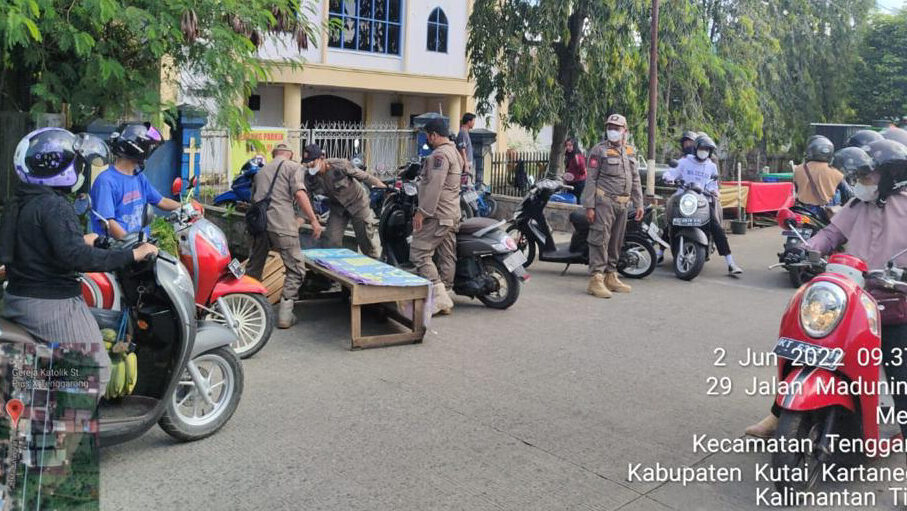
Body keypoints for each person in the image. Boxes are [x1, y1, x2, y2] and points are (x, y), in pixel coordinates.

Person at [746, 141, 907, 439]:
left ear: (890, 175)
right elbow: (831, 234)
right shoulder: (857, 204)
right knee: (809, 348)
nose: (860, 183)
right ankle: (778, 412)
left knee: (900, 374)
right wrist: (807, 250)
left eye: (867, 176)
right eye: (858, 176)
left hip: (894, 304)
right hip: (852, 299)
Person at [0, 128, 158, 392]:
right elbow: (77, 258)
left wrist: (82, 239)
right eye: (76, 162)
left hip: (20, 298)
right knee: (95, 371)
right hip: (50, 304)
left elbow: (35, 245)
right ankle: (56, 426)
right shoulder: (54, 205)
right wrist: (132, 254)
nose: (80, 169)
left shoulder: (23, 200)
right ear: (60, 167)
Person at [245, 143, 323, 329]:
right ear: (291, 154)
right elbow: (300, 194)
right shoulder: (293, 167)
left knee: (254, 267)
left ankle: (248, 306)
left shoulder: (261, 172)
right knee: (296, 269)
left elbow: (253, 198)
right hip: (282, 223)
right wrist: (313, 220)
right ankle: (285, 315)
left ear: (274, 154)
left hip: (259, 225)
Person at [582, 114, 644, 299]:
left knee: (616, 241)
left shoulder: (629, 151)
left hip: (622, 205)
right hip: (604, 203)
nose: (613, 131)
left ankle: (611, 275)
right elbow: (591, 179)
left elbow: (635, 178)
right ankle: (596, 279)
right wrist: (589, 206)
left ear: (625, 130)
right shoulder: (599, 150)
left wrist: (639, 202)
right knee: (600, 238)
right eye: (610, 127)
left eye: (617, 128)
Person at [663, 134, 743, 275]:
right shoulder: (685, 162)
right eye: (701, 148)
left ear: (710, 152)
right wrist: (668, 178)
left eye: (707, 149)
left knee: (717, 228)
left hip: (703, 201)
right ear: (696, 148)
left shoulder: (711, 167)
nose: (704, 151)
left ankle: (730, 263)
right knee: (670, 220)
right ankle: (658, 252)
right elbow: (672, 173)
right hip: (685, 198)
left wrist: (715, 192)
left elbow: (713, 186)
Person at [89, 123, 180, 238]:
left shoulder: (139, 177)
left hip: (139, 248)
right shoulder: (106, 181)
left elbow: (161, 201)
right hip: (118, 250)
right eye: (148, 147)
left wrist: (185, 208)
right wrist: (132, 245)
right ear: (139, 150)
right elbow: (107, 223)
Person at [411, 117, 463, 315]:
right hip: (452, 212)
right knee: (446, 255)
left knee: (419, 252)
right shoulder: (455, 152)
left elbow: (434, 186)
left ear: (433, 135)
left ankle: (440, 298)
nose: (427, 139)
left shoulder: (438, 156)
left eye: (427, 135)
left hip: (437, 214)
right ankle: (446, 293)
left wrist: (421, 213)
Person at [303, 144, 386, 258]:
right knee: (331, 241)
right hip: (338, 209)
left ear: (321, 158)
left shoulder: (339, 165)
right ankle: (332, 270)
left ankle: (375, 266)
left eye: (312, 161)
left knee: (365, 241)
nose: (310, 165)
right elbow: (307, 197)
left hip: (358, 204)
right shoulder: (309, 177)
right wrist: (313, 215)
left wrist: (382, 188)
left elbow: (365, 177)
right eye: (307, 162)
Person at [792, 136, 851, 222]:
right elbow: (848, 194)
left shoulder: (798, 169)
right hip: (825, 213)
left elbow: (796, 190)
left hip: (803, 211)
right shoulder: (836, 172)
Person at [457, 113, 477, 183]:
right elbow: (462, 150)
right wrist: (465, 165)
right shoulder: (463, 133)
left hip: (466, 165)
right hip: (464, 166)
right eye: (473, 121)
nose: (474, 123)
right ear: (469, 122)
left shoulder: (465, 132)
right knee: (463, 187)